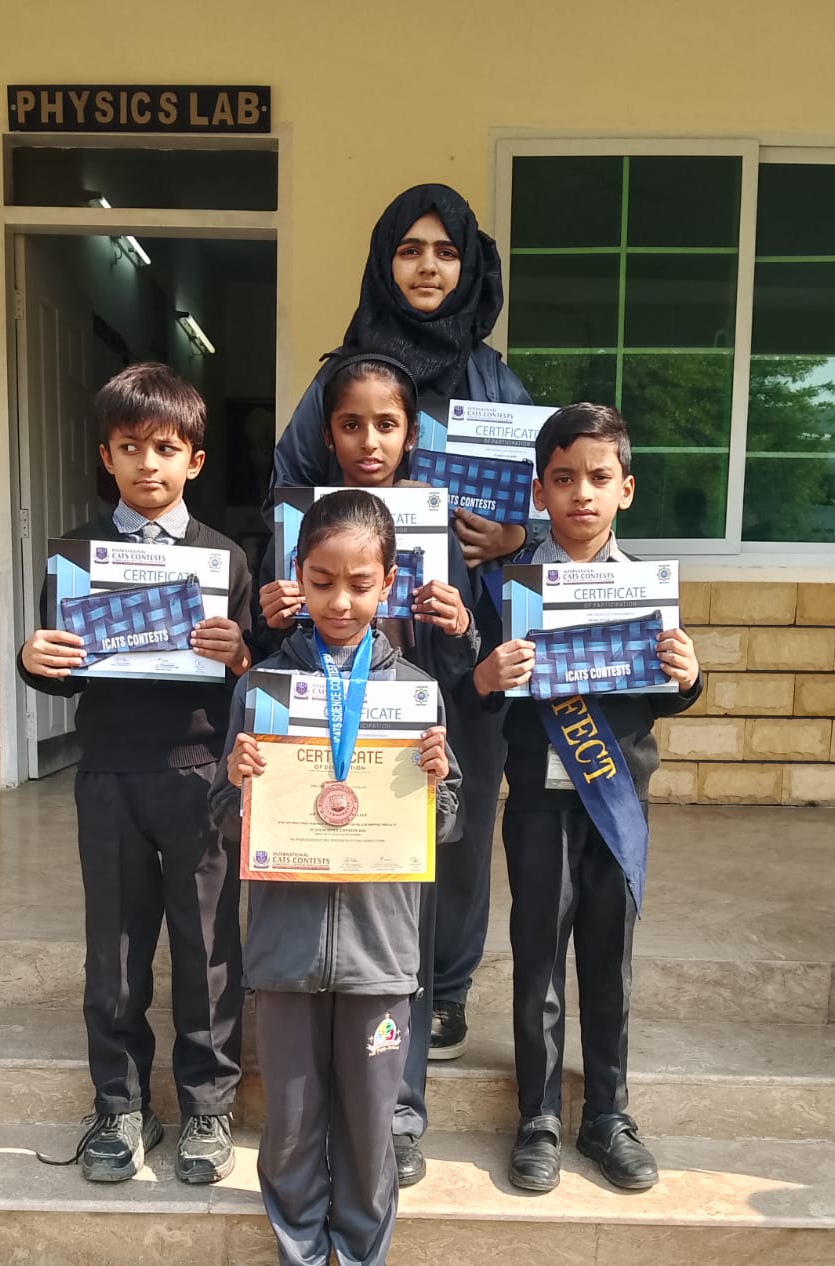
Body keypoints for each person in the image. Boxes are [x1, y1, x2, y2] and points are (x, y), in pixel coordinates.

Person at [260, 182, 530, 1145]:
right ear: (383, 261)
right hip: (341, 649)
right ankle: (328, 973)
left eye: (445, 252)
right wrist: (286, 591)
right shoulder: (340, 376)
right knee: (343, 802)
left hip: (457, 650)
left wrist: (510, 543)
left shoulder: (497, 385)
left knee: (455, 817)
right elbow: (288, 496)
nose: (426, 267)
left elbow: (550, 509)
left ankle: (441, 989)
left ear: (469, 266)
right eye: (409, 249)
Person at [211, 490, 461, 1266]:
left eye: (360, 584)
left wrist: (437, 782)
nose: (341, 601)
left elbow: (449, 824)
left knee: (368, 1124)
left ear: (389, 582)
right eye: (322, 582)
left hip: (380, 959)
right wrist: (236, 781)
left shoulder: (416, 692)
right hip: (283, 954)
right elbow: (227, 826)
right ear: (298, 578)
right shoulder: (263, 691)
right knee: (289, 1124)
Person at [19, 363, 252, 1187]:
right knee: (115, 950)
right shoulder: (77, 559)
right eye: (129, 447)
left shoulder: (225, 559)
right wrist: (32, 659)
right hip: (109, 775)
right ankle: (120, 1105)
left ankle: (207, 1107)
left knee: (207, 947)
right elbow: (62, 669)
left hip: (200, 778)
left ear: (194, 459)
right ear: (106, 456)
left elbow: (253, 678)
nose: (147, 464)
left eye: (165, 448)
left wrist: (241, 655)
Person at [471, 404, 703, 1194]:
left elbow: (660, 697)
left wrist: (689, 677)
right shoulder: (506, 590)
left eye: (599, 478)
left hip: (615, 803)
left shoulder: (648, 590)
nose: (582, 493)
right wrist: (485, 676)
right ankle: (537, 1117)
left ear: (625, 489)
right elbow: (475, 695)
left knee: (609, 965)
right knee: (538, 962)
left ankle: (607, 1115)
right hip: (537, 803)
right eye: (564, 479)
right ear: (539, 492)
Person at [262, 349, 479, 1187]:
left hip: (399, 775)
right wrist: (267, 616)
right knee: (322, 953)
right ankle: (324, 1113)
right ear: (328, 434)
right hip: (310, 774)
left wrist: (459, 627)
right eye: (350, 424)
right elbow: (264, 665)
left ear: (411, 435)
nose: (369, 440)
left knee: (399, 959)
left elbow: (468, 673)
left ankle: (399, 1113)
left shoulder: (439, 527)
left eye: (386, 424)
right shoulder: (298, 525)